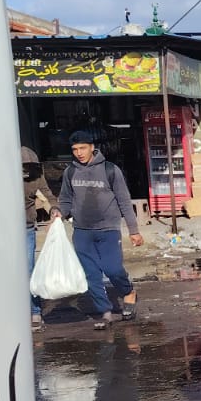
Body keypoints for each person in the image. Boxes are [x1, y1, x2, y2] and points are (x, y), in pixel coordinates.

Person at [54, 129, 142, 330]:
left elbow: (124, 201)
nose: (79, 153)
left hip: (108, 229)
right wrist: (60, 212)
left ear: (92, 147)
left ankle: (128, 292)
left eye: (83, 148)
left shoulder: (110, 170)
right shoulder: (70, 172)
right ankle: (105, 312)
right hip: (82, 231)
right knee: (91, 275)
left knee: (113, 268)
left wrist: (133, 230)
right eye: (75, 149)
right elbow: (66, 199)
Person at [21, 145, 58, 329]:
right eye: (22, 167)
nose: (26, 171)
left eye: (29, 167)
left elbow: (47, 197)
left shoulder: (35, 177)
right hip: (3, 232)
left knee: (29, 270)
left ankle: (35, 311)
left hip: (26, 229)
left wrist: (54, 210)